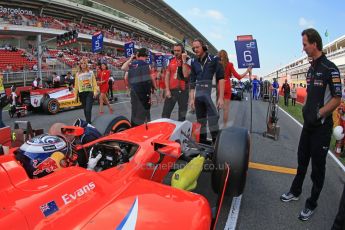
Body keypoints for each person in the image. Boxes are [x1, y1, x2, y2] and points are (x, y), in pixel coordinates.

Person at [280, 28, 342, 221]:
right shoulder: (311, 68)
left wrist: (319, 114)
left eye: (305, 44)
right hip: (307, 125)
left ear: (315, 44)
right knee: (301, 161)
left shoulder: (330, 68)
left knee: (317, 169)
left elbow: (337, 99)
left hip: (321, 128)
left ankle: (311, 203)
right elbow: (310, 95)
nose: (303, 48)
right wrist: (307, 110)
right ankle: (295, 191)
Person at [189, 38, 224, 144]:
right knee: (201, 122)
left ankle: (216, 145)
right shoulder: (194, 62)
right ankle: (202, 145)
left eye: (197, 47)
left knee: (213, 122)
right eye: (194, 48)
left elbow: (221, 79)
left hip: (211, 93)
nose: (195, 49)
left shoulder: (214, 59)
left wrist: (221, 97)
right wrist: (191, 99)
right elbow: (192, 82)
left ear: (203, 47)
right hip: (198, 94)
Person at [122, 48, 155, 126]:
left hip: (134, 93)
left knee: (134, 112)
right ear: (146, 56)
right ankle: (147, 128)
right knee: (146, 112)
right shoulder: (147, 66)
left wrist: (130, 59)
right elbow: (148, 82)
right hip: (144, 93)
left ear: (137, 55)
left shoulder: (132, 65)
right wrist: (151, 94)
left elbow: (123, 68)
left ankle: (133, 129)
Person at [218, 50, 251, 127]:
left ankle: (215, 127)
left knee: (216, 108)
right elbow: (239, 77)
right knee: (226, 110)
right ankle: (224, 126)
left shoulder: (216, 64)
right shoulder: (229, 65)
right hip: (227, 86)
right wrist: (247, 71)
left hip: (219, 86)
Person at [162, 43, 191, 121]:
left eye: (178, 50)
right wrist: (167, 90)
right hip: (172, 91)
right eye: (175, 50)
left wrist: (184, 61)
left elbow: (186, 75)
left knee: (182, 116)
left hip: (183, 91)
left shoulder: (188, 60)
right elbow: (167, 75)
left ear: (183, 51)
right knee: (165, 114)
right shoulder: (170, 60)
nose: (176, 52)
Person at [74, 58, 98, 124]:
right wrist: (75, 95)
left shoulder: (91, 72)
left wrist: (95, 92)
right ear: (80, 65)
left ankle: (88, 123)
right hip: (81, 93)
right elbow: (76, 86)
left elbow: (94, 83)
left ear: (86, 64)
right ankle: (88, 123)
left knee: (88, 109)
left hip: (89, 92)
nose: (83, 65)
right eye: (82, 63)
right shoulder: (77, 74)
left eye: (84, 63)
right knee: (85, 109)